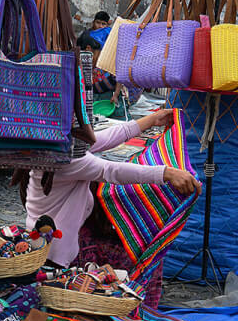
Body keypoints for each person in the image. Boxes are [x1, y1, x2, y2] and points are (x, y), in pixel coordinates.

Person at [20, 108, 199, 308]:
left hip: (60, 236)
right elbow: (110, 170)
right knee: (137, 253)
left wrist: (151, 120)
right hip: (56, 252)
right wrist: (167, 173)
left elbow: (101, 139)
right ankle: (139, 309)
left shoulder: (53, 147)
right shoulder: (66, 160)